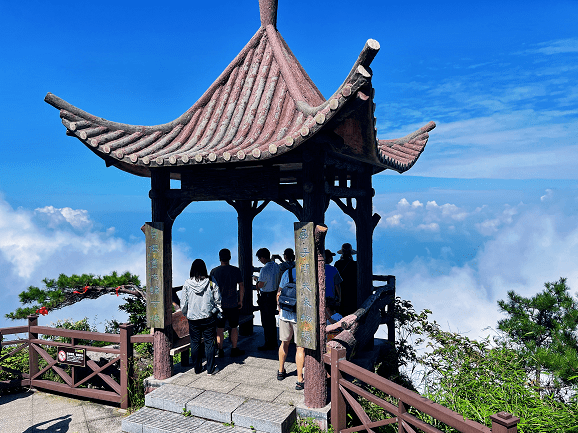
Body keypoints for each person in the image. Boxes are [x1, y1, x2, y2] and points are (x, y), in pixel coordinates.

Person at [180, 259, 222, 375]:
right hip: (208, 317)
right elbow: (218, 298)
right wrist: (216, 309)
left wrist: (186, 313)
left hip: (193, 319)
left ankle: (197, 369)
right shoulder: (211, 281)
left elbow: (183, 303)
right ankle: (210, 369)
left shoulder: (187, 283)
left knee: (195, 343)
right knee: (209, 342)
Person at [210, 248, 245, 358]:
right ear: (229, 257)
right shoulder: (235, 270)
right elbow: (241, 286)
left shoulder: (214, 271)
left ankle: (220, 350)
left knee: (219, 328)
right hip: (233, 303)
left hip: (219, 305)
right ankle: (234, 349)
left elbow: (211, 289)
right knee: (234, 327)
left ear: (219, 258)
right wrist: (240, 300)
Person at [276, 266, 305, 390]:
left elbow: (279, 292)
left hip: (285, 314)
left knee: (284, 343)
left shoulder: (287, 273)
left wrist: (279, 309)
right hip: (300, 316)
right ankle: (299, 379)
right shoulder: (307, 272)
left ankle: (281, 371)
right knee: (300, 347)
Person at [255, 247, 280, 350]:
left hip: (266, 297)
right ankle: (273, 341)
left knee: (265, 321)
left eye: (259, 258)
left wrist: (256, 281)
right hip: (274, 295)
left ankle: (268, 343)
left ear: (263, 258)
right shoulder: (276, 266)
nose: (260, 261)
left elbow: (261, 285)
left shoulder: (264, 269)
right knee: (272, 320)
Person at [334, 243, 358, 316]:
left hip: (341, 290)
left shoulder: (337, 264)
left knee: (341, 312)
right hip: (353, 292)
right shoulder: (355, 264)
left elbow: (335, 279)